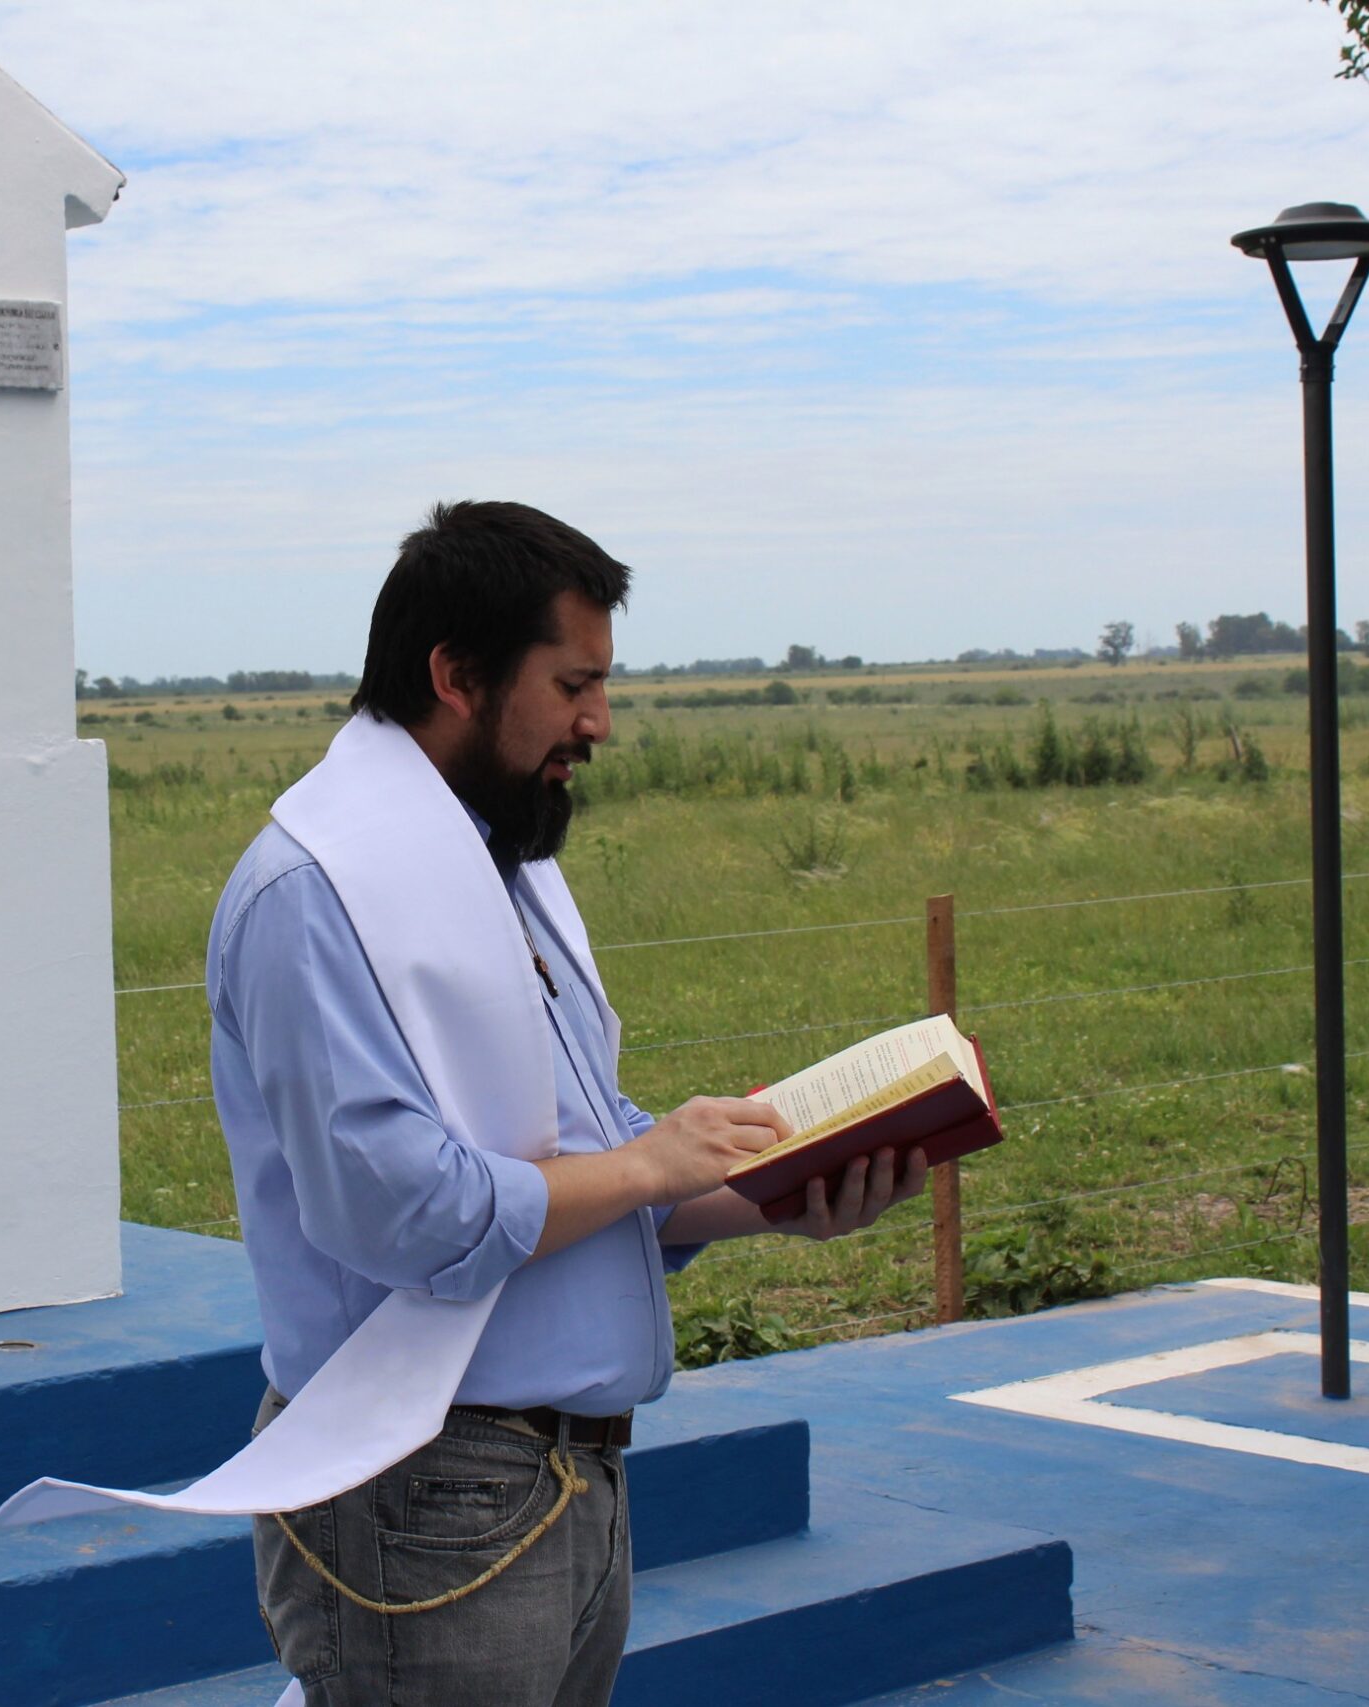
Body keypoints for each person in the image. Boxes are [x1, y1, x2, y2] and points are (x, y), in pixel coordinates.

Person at [208, 500, 929, 1706]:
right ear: (456, 675)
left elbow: (579, 1161)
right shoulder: (316, 893)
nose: (598, 723)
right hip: (424, 1486)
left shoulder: (498, 863)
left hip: (558, 1481)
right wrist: (651, 1165)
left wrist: (777, 1192)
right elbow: (402, 1212)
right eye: (572, 685)